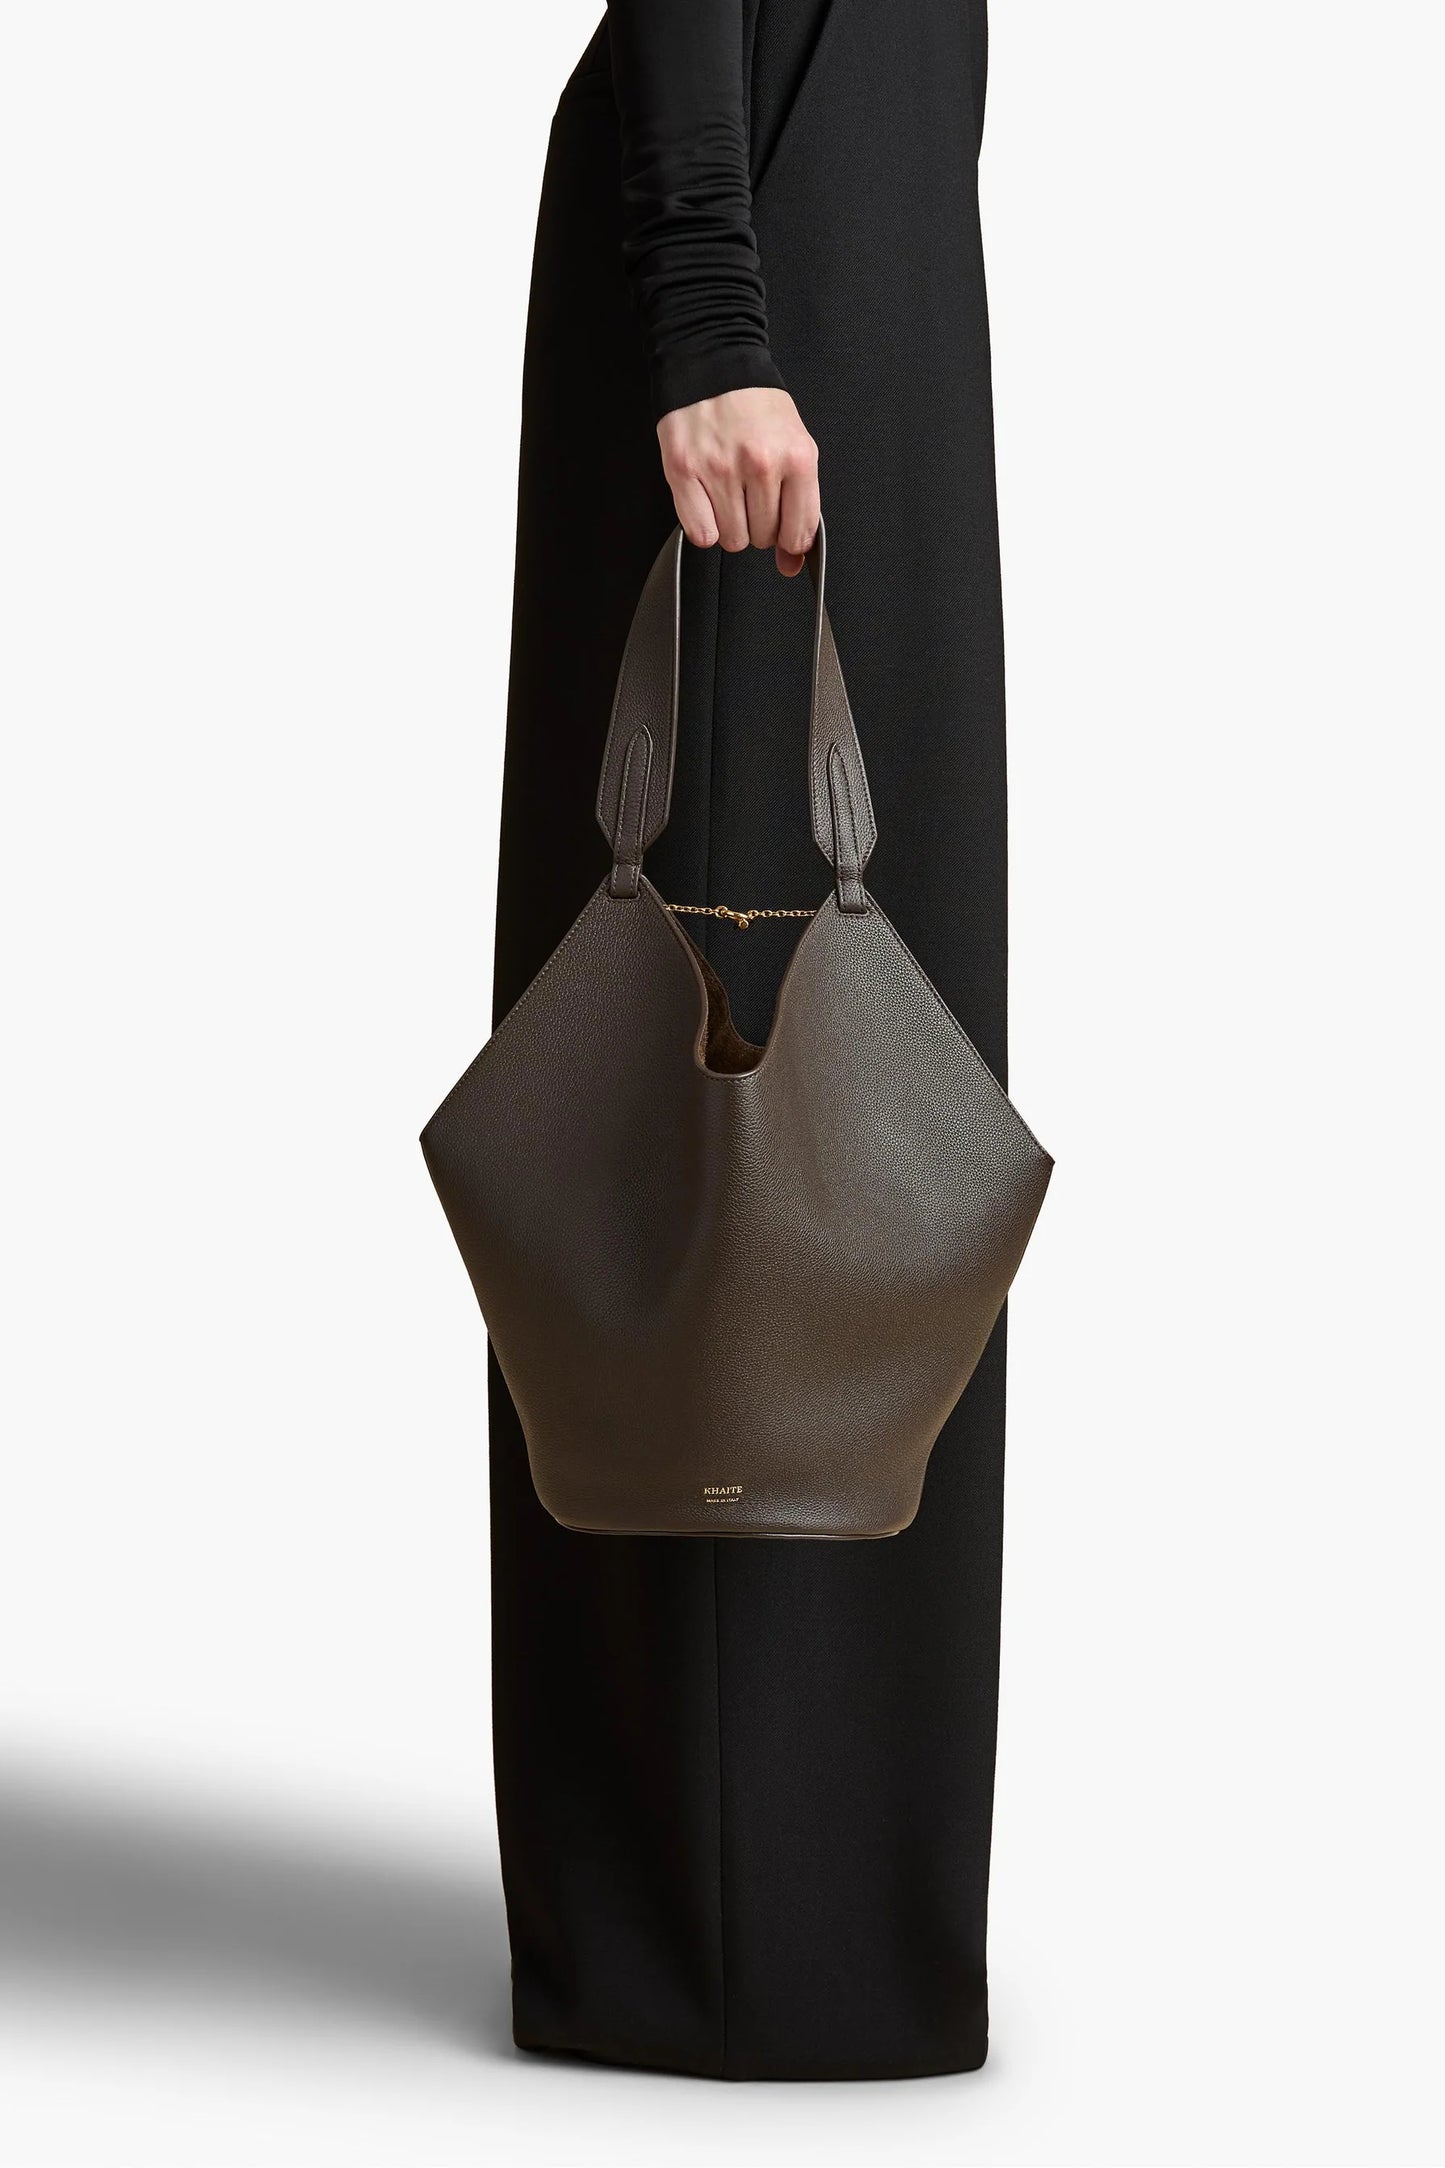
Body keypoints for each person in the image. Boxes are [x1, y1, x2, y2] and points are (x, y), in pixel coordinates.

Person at [489, 0, 1009, 2079]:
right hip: (762, 220)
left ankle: (841, 1904)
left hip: (863, 200)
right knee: (713, 1047)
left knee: (882, 1050)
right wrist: (709, 308)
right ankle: (707, 1933)